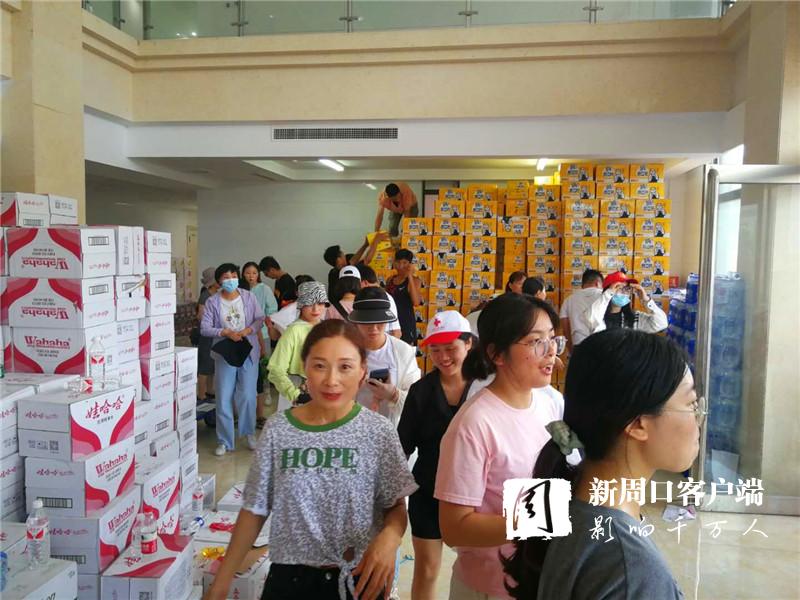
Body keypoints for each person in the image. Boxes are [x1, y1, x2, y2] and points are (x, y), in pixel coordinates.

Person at [204, 320, 418, 600]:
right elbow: (254, 509)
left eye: (345, 367)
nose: (331, 380)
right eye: (319, 365)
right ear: (305, 367)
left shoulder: (378, 432)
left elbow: (395, 507)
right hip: (290, 582)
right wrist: (221, 581)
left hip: (359, 580)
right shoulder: (279, 429)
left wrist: (390, 539)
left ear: (363, 372)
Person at [503, 329, 699, 600]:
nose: (698, 417)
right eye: (691, 404)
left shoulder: (570, 492)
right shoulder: (631, 568)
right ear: (638, 424)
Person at [435, 293, 567, 600]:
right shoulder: (474, 424)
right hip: (490, 587)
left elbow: (566, 459)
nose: (551, 351)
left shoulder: (550, 403)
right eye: (536, 342)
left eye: (552, 339)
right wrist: (540, 520)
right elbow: (454, 528)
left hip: (539, 577)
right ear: (497, 353)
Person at [397, 311, 475, 600]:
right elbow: (402, 447)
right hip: (428, 490)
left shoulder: (485, 388)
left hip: (475, 495)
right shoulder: (421, 392)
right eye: (435, 350)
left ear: (468, 344)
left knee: (478, 567)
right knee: (427, 570)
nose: (443, 357)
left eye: (450, 348)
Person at [200, 263, 265, 456]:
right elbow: (205, 328)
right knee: (224, 396)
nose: (231, 280)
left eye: (234, 276)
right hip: (225, 353)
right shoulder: (212, 301)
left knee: (248, 395)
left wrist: (248, 330)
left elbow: (259, 319)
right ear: (219, 281)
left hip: (247, 351)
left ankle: (249, 433)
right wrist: (224, 332)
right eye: (226, 277)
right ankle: (224, 440)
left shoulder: (249, 297)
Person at [347, 287, 421, 425]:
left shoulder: (403, 352)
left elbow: (417, 402)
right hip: (353, 428)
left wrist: (394, 395)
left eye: (380, 322)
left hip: (392, 429)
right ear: (356, 322)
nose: (374, 328)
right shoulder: (345, 350)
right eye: (367, 322)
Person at [268, 281, 328, 411]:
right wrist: (295, 394)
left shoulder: (327, 329)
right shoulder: (293, 331)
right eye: (309, 304)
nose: (316, 309)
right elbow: (276, 369)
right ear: (300, 305)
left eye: (320, 303)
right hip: (296, 390)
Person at [242, 261, 278, 429]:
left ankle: (266, 392)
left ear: (258, 275)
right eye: (248, 273)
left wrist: (264, 320)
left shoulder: (264, 289)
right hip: (244, 335)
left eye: (254, 273)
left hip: (262, 333)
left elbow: (272, 308)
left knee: (264, 365)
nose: (251, 276)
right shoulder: (240, 290)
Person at [586, 271, 668, 335]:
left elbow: (661, 323)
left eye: (627, 289)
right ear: (608, 291)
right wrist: (608, 294)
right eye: (619, 288)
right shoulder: (598, 314)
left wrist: (646, 299)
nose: (625, 292)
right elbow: (590, 318)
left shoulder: (634, 317)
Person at [324, 233, 388, 293]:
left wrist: (366, 244)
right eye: (342, 252)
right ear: (339, 259)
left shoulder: (333, 272)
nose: (344, 254)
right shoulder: (346, 272)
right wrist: (376, 241)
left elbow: (357, 259)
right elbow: (367, 259)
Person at [559, 269, 603, 354]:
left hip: (579, 344)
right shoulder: (605, 296)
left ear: (582, 284)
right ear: (598, 283)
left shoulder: (569, 300)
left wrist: (571, 351)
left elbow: (565, 329)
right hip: (602, 344)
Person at [385, 249, 423, 345]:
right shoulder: (390, 280)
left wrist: (410, 276)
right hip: (391, 323)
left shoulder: (415, 281)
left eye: (405, 263)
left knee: (406, 353)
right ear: (394, 263)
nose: (401, 266)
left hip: (406, 324)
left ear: (410, 264)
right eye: (398, 262)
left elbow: (416, 302)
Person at [356, 264, 402, 338]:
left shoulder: (386, 298)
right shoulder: (363, 298)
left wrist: (386, 345)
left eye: (356, 284)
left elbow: (396, 332)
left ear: (364, 283)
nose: (355, 288)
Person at [196, 267, 219, 404]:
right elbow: (201, 316)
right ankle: (201, 394)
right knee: (205, 366)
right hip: (207, 336)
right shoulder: (205, 296)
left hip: (215, 335)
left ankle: (210, 391)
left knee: (212, 365)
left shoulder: (217, 294)